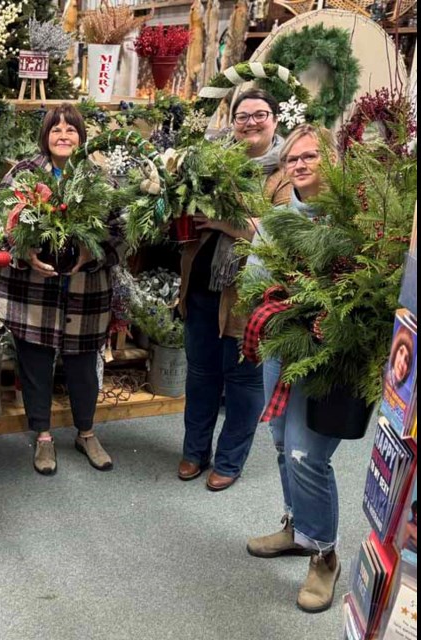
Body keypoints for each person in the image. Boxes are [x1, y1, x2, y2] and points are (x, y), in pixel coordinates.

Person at [245, 124, 345, 613]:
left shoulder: (352, 224)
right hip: (281, 351)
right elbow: (254, 283)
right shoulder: (275, 221)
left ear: (330, 159)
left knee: (309, 456)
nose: (300, 164)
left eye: (310, 156)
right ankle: (295, 527)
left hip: (327, 359)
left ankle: (324, 555)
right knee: (283, 443)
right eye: (292, 159)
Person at [0, 103, 125, 476]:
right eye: (56, 129)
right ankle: (44, 437)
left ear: (82, 137)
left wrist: (90, 253)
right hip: (34, 292)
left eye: (71, 129)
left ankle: (86, 432)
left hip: (85, 291)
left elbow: (119, 231)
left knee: (84, 368)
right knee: (35, 364)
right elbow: (3, 225)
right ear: (45, 136)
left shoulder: (99, 178)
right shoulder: (22, 174)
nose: (64, 135)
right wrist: (25, 251)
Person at [176, 88, 293, 492]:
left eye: (259, 114)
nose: (250, 123)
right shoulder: (213, 162)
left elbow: (277, 232)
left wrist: (224, 221)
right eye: (242, 116)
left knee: (243, 382)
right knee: (201, 374)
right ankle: (194, 452)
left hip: (249, 297)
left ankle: (229, 460)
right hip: (201, 287)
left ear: (274, 119)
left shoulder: (284, 172)